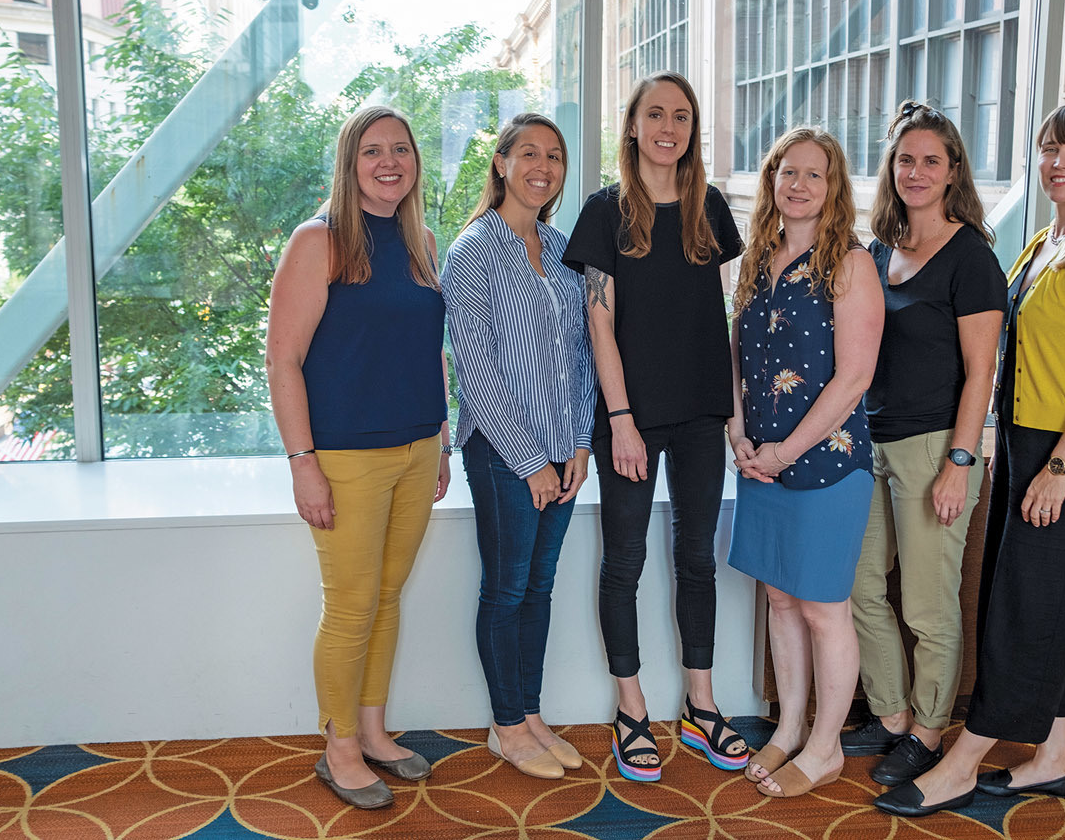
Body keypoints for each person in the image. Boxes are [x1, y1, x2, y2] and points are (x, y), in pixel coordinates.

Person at [874, 103, 1065, 817]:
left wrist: (1059, 469)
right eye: (1051, 148)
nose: (1060, 162)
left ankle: (962, 763)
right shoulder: (1042, 245)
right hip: (1027, 447)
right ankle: (1050, 757)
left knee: (1027, 613)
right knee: (1030, 603)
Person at [561, 71, 747, 782]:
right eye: (656, 114)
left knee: (697, 558)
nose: (669, 127)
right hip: (630, 417)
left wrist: (733, 414)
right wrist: (621, 419)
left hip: (701, 413)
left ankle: (702, 704)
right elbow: (598, 322)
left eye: (682, 116)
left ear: (692, 129)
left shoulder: (710, 208)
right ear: (633, 125)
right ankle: (631, 709)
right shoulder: (604, 211)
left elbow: (717, 315)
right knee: (626, 562)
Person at [265, 105, 451, 810]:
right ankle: (339, 747)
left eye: (400, 149)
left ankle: (372, 730)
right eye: (372, 151)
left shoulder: (421, 240)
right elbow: (283, 360)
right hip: (346, 457)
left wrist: (440, 438)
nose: (389, 162)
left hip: (417, 448)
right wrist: (302, 462)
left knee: (387, 596)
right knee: (350, 606)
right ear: (349, 164)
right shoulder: (319, 241)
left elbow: (428, 351)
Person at [843, 103, 1005, 788]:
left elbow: (981, 372)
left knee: (927, 606)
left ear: (953, 171)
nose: (916, 172)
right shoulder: (877, 250)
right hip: (870, 444)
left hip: (935, 447)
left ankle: (931, 731)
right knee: (859, 588)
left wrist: (959, 463)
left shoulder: (971, 257)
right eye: (905, 160)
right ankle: (892, 713)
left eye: (930, 161)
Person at [728, 127, 884, 798]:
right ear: (771, 180)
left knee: (824, 607)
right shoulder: (756, 258)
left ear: (834, 186)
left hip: (829, 467)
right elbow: (736, 355)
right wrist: (737, 431)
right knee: (781, 598)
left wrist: (784, 451)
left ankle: (825, 747)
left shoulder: (850, 263)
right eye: (787, 171)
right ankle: (790, 727)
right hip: (760, 460)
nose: (798, 184)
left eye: (814, 174)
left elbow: (854, 378)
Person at [440, 113, 595, 780]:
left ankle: (530, 715)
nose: (543, 166)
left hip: (564, 449)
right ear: (501, 163)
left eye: (554, 155)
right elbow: (476, 374)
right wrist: (530, 461)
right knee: (506, 590)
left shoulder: (562, 249)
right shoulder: (472, 251)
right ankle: (506, 726)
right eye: (529, 153)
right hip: (505, 454)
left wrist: (580, 444)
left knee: (540, 586)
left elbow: (583, 356)